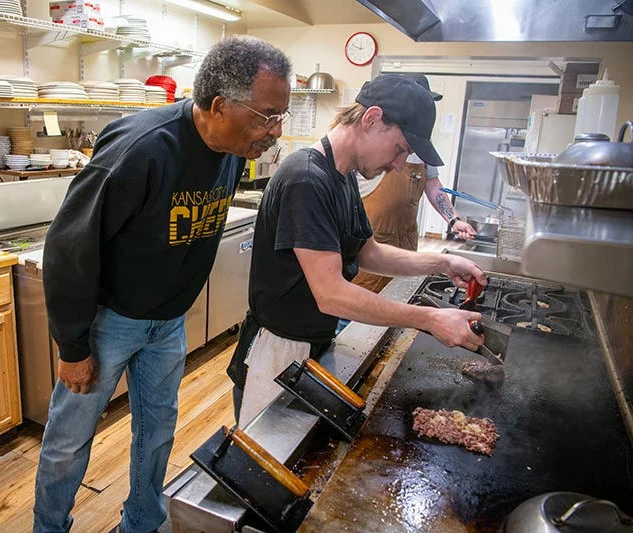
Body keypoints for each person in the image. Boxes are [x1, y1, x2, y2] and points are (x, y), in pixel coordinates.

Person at [35, 36, 292, 533]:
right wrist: (72, 344)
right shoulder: (141, 148)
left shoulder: (236, 148)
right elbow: (68, 247)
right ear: (219, 106)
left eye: (281, 115)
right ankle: (48, 528)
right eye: (266, 116)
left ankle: (143, 523)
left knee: (156, 434)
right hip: (107, 323)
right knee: (69, 440)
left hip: (167, 323)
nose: (275, 131)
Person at [227, 74, 487, 425]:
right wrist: (430, 319)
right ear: (372, 120)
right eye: (400, 150)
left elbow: (369, 253)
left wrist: (442, 262)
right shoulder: (306, 179)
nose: (399, 165)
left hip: (312, 344)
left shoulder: (343, 175)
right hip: (277, 353)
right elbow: (331, 295)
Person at [352, 73, 476, 294]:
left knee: (398, 298)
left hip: (405, 245)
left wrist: (453, 219)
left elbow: (433, 184)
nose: (399, 163)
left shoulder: (420, 149)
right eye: (399, 151)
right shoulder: (360, 156)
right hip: (370, 247)